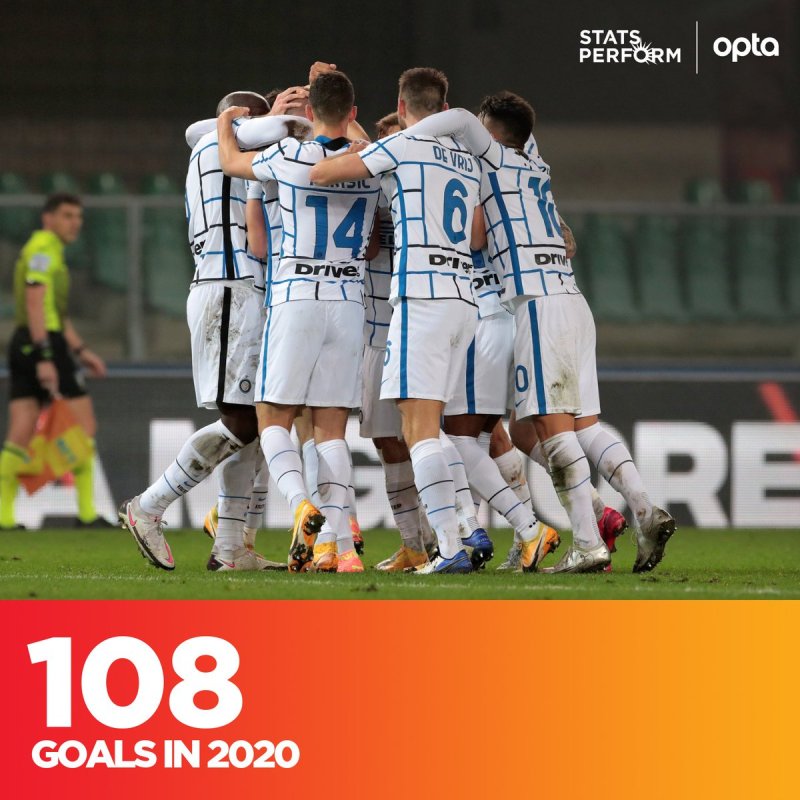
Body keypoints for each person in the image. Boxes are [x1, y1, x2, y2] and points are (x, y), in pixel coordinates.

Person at [404, 93, 675, 573]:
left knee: (553, 431)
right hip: (573, 299)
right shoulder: (536, 165)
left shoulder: (491, 160)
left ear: (492, 133)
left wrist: (405, 140)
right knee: (581, 425)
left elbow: (460, 121)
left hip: (535, 304)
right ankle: (643, 508)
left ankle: (587, 542)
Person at [119, 91, 307, 571]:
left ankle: (229, 549)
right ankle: (149, 506)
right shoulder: (220, 140)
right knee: (241, 421)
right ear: (239, 119)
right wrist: (288, 116)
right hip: (228, 291)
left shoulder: (220, 144)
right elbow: (271, 129)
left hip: (241, 292)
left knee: (258, 422)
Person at [215, 69, 382, 574]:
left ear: (308, 114)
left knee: (273, 418)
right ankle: (342, 548)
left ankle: (300, 505)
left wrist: (225, 123)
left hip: (297, 296)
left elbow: (230, 160)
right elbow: (359, 138)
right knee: (331, 432)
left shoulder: (290, 155)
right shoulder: (372, 160)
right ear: (353, 113)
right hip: (349, 302)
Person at [0, 193, 109, 530]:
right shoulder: (43, 250)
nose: (75, 223)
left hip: (26, 342)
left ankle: (3, 517)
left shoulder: (48, 250)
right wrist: (46, 355)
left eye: (78, 216)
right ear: (47, 218)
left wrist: (81, 350)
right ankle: (87, 513)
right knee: (84, 427)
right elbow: (35, 304)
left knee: (20, 431)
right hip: (42, 342)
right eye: (67, 215)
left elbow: (55, 313)